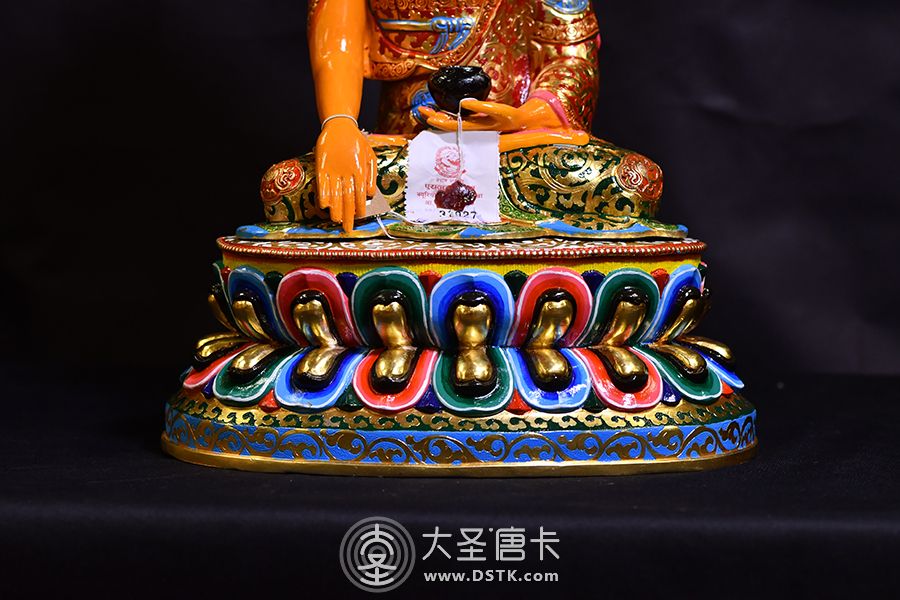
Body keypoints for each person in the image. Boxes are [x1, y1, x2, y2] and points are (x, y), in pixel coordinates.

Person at [258, 0, 673, 239]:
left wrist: (522, 117)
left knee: (630, 180)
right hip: (406, 153)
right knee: (289, 186)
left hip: (517, 152)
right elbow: (338, 45)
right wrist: (339, 124)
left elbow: (572, 61)